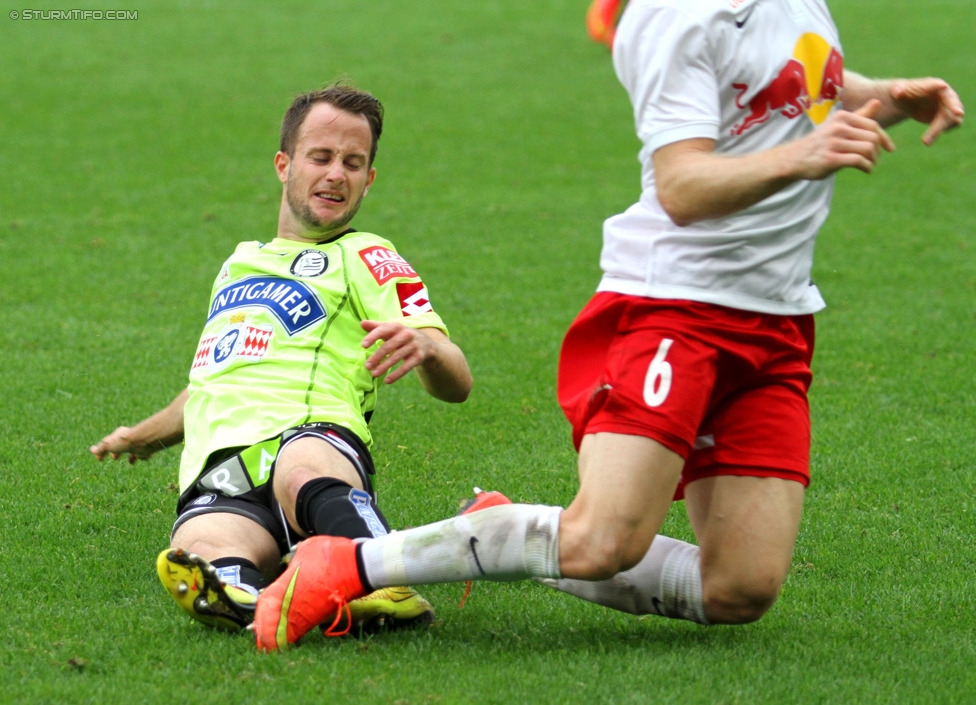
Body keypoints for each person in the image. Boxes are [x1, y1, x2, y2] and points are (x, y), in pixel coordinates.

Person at [251, 0, 965, 651]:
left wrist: (885, 97)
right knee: (603, 541)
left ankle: (510, 531)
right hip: (675, 309)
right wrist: (804, 155)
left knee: (740, 587)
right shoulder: (676, 17)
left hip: (777, 319)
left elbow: (797, 79)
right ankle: (348, 560)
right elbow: (683, 185)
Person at [90, 83, 473, 635]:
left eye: (353, 162)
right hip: (224, 464)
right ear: (284, 164)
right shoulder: (238, 264)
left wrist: (430, 348)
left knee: (302, 467)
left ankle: (379, 572)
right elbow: (217, 378)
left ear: (369, 179)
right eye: (321, 157)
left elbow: (457, 381)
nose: (336, 173)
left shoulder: (366, 254)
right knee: (199, 542)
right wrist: (146, 435)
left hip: (311, 440)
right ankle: (250, 594)